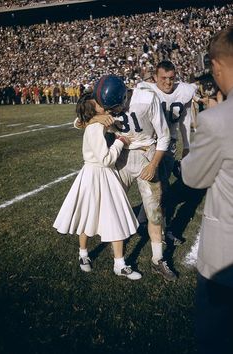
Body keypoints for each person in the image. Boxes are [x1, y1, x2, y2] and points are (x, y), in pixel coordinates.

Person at [76, 74, 177, 282]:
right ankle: (117, 260)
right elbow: (78, 121)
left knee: (154, 211)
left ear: (123, 98)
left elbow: (164, 136)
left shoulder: (146, 99)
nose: (111, 113)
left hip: (145, 155)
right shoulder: (102, 103)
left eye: (113, 108)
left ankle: (158, 259)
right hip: (120, 157)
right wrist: (95, 118)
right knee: (110, 207)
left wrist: (153, 164)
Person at [181, 25, 233, 354]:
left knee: (215, 339)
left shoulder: (218, 121)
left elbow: (193, 178)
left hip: (226, 259)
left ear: (216, 66)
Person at [53, 93, 141, 280]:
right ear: (94, 110)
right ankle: (83, 254)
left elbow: (87, 122)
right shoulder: (93, 127)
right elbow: (106, 159)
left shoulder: (100, 121)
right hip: (95, 173)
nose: (104, 105)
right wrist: (120, 141)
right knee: (87, 215)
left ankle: (120, 264)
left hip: (104, 175)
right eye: (99, 105)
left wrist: (111, 126)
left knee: (115, 215)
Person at [137, 61, 205, 245]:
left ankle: (146, 222)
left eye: (171, 78)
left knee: (159, 189)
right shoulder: (146, 89)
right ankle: (155, 226)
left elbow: (185, 119)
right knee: (158, 188)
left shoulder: (184, 91)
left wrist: (187, 146)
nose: (168, 83)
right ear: (155, 78)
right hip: (151, 145)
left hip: (169, 145)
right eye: (163, 78)